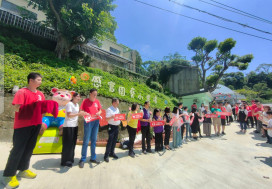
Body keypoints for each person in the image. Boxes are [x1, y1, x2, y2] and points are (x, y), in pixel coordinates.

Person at [2, 73, 45, 189]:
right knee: (18, 149)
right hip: (23, 125)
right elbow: (17, 108)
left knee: (29, 148)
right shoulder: (22, 92)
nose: (40, 82)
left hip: (36, 124)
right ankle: (9, 175)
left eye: (41, 80)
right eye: (38, 80)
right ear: (31, 80)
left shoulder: (41, 94)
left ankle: (23, 169)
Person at [61, 92, 87, 167]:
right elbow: (69, 115)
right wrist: (79, 114)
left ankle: (70, 159)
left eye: (79, 97)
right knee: (67, 144)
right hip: (68, 126)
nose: (78, 98)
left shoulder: (77, 105)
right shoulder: (69, 104)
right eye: (77, 97)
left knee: (72, 143)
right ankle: (65, 161)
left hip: (75, 125)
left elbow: (78, 113)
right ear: (73, 97)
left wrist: (84, 113)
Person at [79, 88, 102, 168]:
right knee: (86, 140)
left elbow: (100, 110)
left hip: (96, 121)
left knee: (94, 140)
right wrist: (84, 113)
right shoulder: (85, 101)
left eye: (96, 94)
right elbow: (81, 111)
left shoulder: (97, 101)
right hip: (88, 121)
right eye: (94, 94)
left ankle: (93, 157)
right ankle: (83, 159)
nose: (95, 96)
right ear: (90, 93)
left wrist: (99, 112)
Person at [104, 98, 121, 163]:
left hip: (116, 127)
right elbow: (106, 119)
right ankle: (106, 155)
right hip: (111, 127)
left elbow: (118, 116)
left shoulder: (117, 109)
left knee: (114, 141)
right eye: (117, 103)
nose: (118, 104)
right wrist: (111, 117)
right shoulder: (109, 109)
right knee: (110, 141)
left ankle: (112, 152)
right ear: (114, 102)